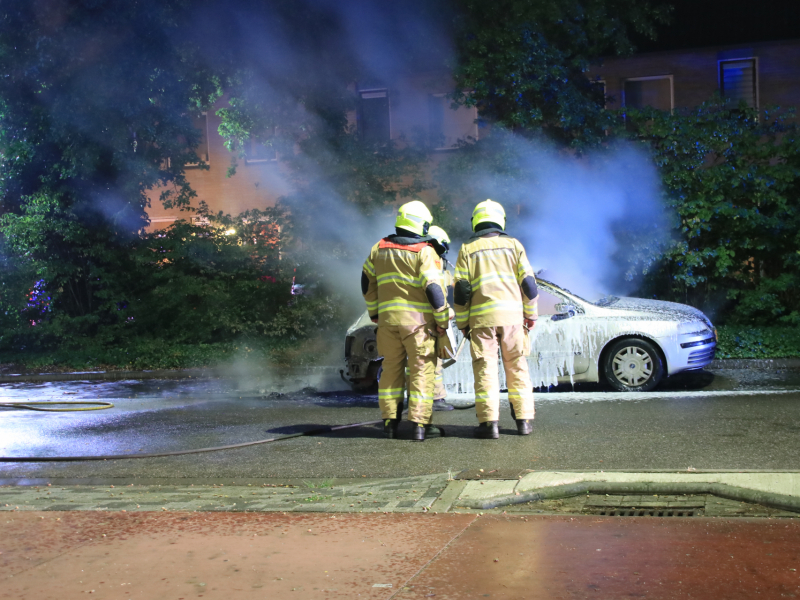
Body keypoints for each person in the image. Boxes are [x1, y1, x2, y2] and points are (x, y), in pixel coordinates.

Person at [362, 201, 451, 441]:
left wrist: (375, 312)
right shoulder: (424, 251)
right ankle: (420, 427)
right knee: (421, 370)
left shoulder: (378, 248)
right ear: (421, 224)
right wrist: (442, 320)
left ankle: (390, 423)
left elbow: (366, 281)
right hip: (419, 325)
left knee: (391, 369)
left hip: (388, 323)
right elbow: (433, 288)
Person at [453, 199, 539, 439]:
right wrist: (530, 316)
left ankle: (489, 425)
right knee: (518, 368)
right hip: (513, 319)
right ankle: (523, 422)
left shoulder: (467, 250)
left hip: (481, 321)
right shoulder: (514, 245)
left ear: (475, 221)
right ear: (501, 220)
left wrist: (462, 323)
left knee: (485, 371)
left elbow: (461, 291)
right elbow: (529, 286)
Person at [427, 225, 455, 412]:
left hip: (427, 319)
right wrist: (444, 319)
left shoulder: (441, 268)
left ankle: (418, 399)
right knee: (431, 361)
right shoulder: (430, 264)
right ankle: (436, 400)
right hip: (430, 321)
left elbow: (452, 287)